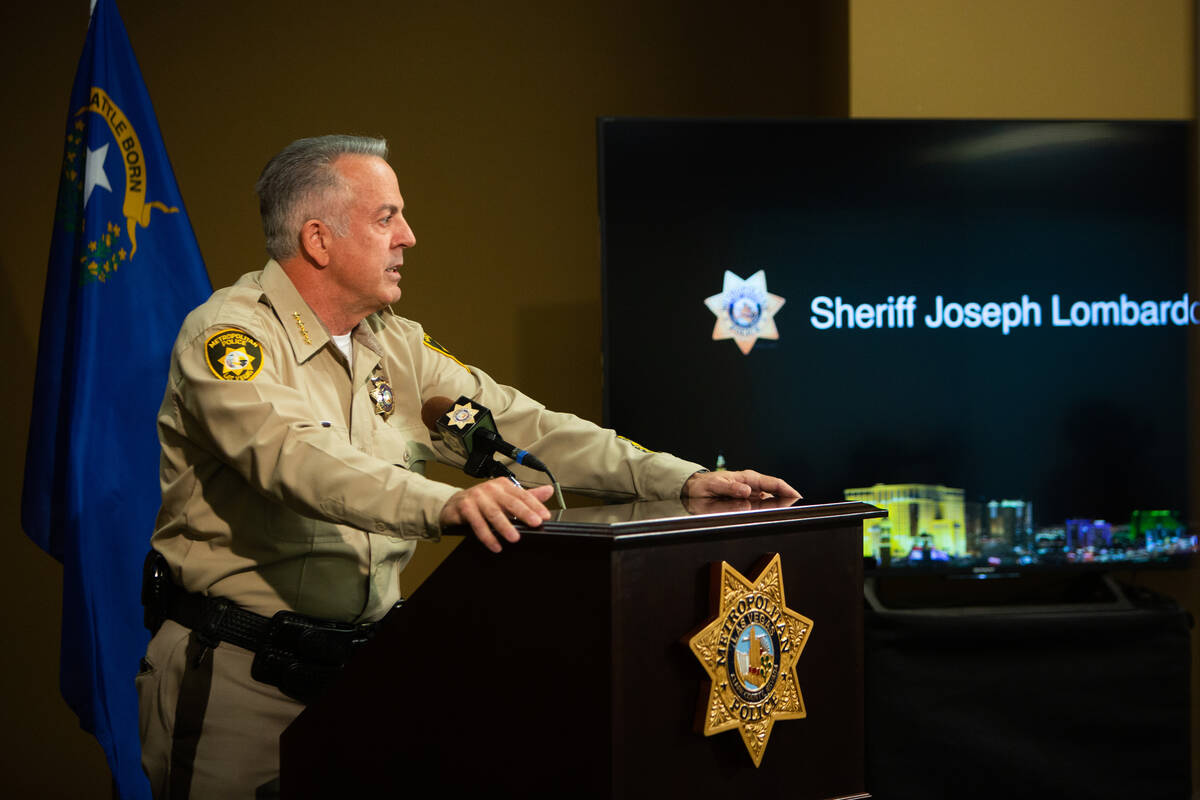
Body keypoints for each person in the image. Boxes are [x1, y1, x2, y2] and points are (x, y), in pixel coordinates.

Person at [136, 134, 798, 799]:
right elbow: (296, 457)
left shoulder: (395, 343)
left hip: (368, 679)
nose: (409, 237)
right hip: (241, 681)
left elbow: (526, 427)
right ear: (318, 240)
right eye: (386, 217)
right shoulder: (229, 338)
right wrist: (442, 504)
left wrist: (679, 479)